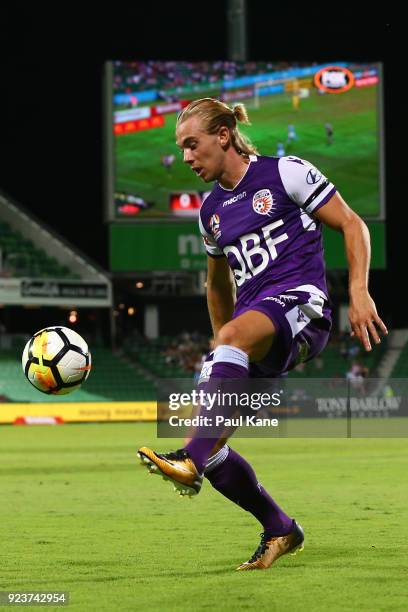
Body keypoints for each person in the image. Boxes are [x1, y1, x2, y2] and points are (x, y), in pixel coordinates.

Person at [138, 97, 387, 571]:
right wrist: (222, 349)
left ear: (224, 136)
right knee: (214, 453)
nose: (186, 158)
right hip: (256, 327)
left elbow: (352, 225)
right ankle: (279, 528)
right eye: (182, 149)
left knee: (195, 446)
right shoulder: (210, 212)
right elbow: (216, 283)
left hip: (301, 308)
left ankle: (187, 458)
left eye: (192, 145)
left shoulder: (286, 172)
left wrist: (359, 291)